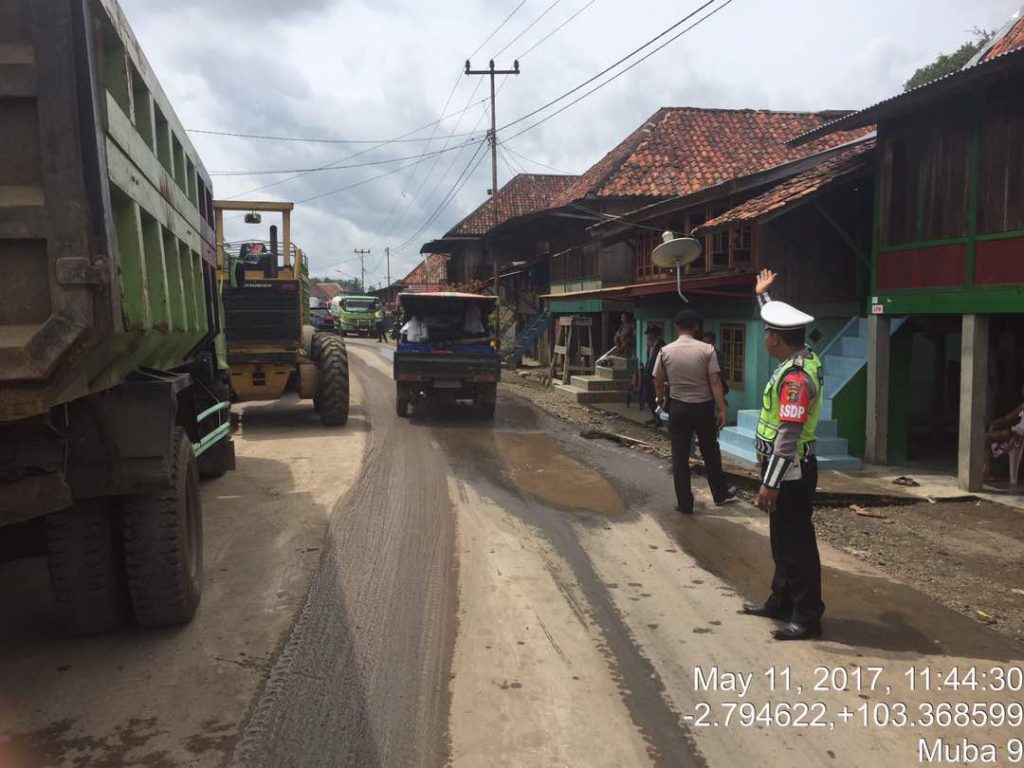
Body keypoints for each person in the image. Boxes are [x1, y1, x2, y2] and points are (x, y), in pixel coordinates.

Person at [741, 268, 825, 642]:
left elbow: (787, 437)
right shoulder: (800, 357)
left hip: (789, 469)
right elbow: (779, 321)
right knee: (781, 538)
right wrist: (764, 296)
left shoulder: (795, 380)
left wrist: (769, 483)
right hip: (784, 467)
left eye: (766, 333)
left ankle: (807, 616)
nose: (764, 337)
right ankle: (781, 601)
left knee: (797, 543)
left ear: (775, 340)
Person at [653, 309, 736, 514]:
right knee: (710, 450)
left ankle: (685, 503)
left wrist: (660, 398)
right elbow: (715, 381)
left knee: (680, 456)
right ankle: (720, 493)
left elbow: (657, 379)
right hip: (703, 408)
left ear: (676, 327)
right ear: (696, 327)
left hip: (678, 407)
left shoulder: (665, 351)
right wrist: (722, 408)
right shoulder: (707, 350)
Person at [984, 393, 1024, 481]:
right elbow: (1007, 418)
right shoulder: (1022, 406)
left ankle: (986, 471)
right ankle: (986, 471)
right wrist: (992, 423)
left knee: (984, 439)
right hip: (1014, 433)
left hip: (1017, 436)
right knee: (985, 439)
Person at [641, 325, 666, 426]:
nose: (648, 337)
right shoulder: (650, 346)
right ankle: (654, 416)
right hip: (648, 375)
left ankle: (659, 419)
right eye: (648, 335)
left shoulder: (661, 346)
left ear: (655, 335)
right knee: (649, 398)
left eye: (650, 335)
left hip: (656, 376)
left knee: (657, 398)